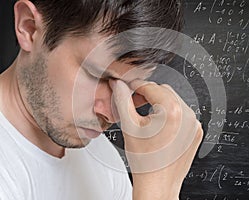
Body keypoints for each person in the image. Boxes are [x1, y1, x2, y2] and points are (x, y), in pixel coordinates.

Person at [0, 0, 203, 199]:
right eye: (97, 75)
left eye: (131, 85)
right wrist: (159, 190)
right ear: (29, 27)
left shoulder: (103, 158)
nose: (113, 114)